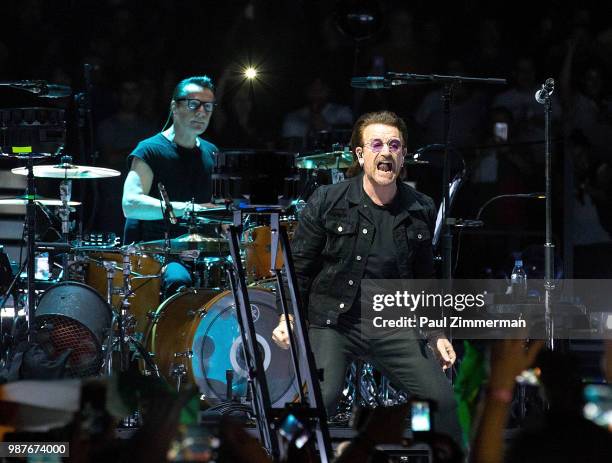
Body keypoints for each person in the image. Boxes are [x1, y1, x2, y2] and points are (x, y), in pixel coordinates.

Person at [272, 110, 462, 445]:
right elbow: (297, 267)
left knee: (442, 402)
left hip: (393, 323)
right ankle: (282, 449)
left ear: (403, 155)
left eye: (393, 145)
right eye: (375, 144)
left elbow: (424, 278)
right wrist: (288, 315)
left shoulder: (420, 207)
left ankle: (436, 453)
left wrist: (436, 333)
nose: (385, 152)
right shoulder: (328, 201)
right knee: (320, 397)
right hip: (335, 320)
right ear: (360, 155)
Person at [121, 75, 218, 295]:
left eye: (208, 107)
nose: (201, 112)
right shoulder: (150, 150)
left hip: (204, 253)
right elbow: (131, 204)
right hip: (160, 255)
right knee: (178, 279)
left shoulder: (212, 152)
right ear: (174, 106)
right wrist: (187, 208)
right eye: (194, 104)